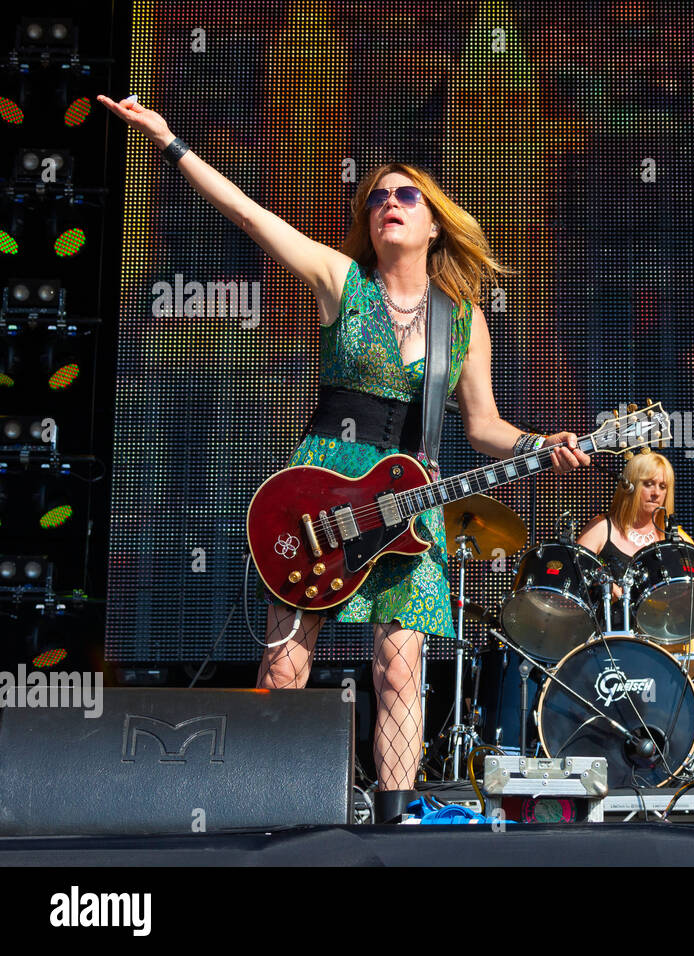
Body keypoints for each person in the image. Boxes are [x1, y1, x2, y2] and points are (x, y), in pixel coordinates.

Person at [99, 94, 591, 820]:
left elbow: (483, 426)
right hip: (320, 490)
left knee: (401, 664)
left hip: (408, 504)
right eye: (377, 198)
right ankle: (259, 806)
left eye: (406, 195)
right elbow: (251, 217)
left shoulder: (464, 320)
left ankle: (396, 815)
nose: (388, 203)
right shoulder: (342, 281)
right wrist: (170, 142)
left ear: (433, 223)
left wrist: (539, 446)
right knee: (288, 658)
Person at [577, 451, 694, 684]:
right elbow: (575, 571)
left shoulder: (674, 536)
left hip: (665, 639)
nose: (656, 493)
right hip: (614, 639)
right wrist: (603, 582)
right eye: (649, 484)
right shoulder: (604, 527)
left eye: (663, 486)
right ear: (630, 486)